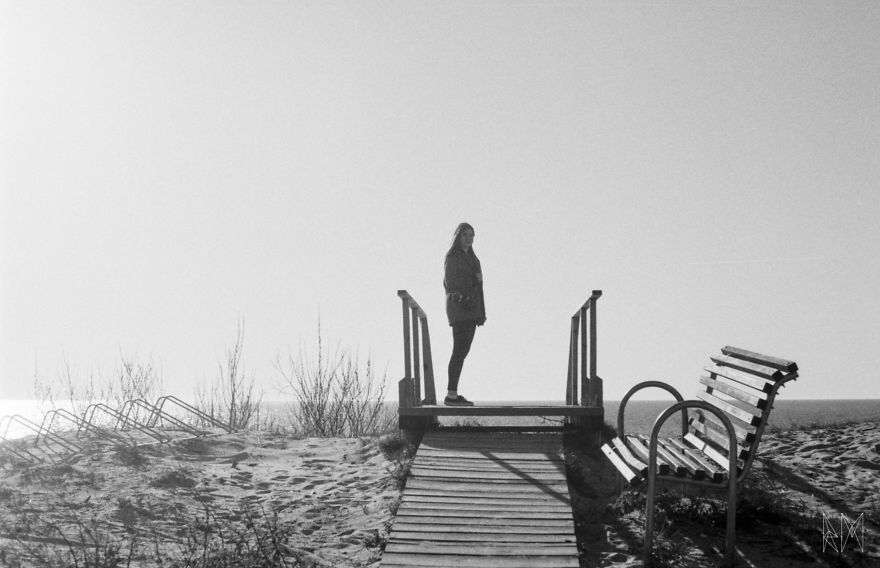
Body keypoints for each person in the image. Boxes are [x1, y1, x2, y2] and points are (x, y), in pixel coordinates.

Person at [443, 222, 486, 406]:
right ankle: (451, 395)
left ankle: (453, 393)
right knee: (459, 350)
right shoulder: (453, 256)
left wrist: (481, 312)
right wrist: (464, 298)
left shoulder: (473, 258)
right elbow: (450, 283)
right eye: (465, 234)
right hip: (460, 308)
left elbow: (479, 287)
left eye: (471, 235)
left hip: (472, 309)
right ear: (458, 236)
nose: (469, 238)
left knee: (463, 351)